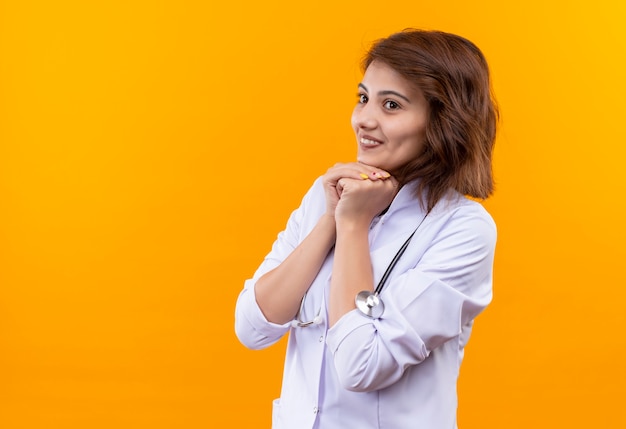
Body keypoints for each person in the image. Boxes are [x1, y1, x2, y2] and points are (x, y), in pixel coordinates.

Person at [235, 28, 498, 429]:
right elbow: (252, 327)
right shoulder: (328, 195)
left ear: (443, 120)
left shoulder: (463, 230)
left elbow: (360, 364)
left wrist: (354, 226)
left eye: (391, 105)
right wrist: (331, 220)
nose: (364, 120)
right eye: (363, 98)